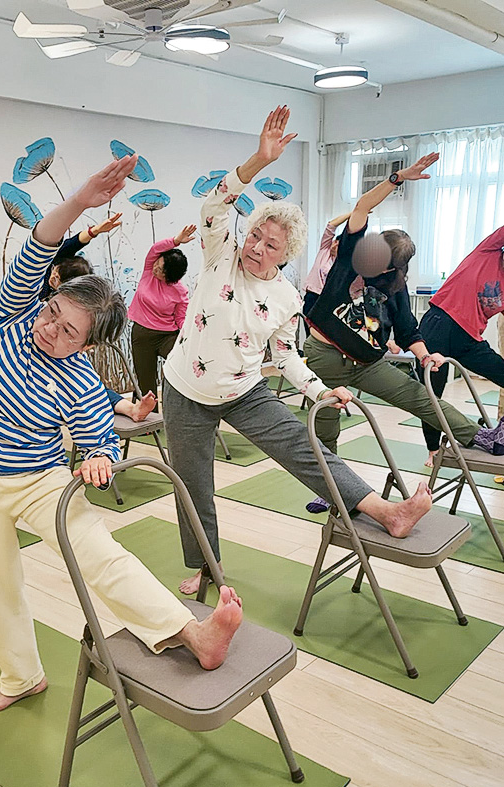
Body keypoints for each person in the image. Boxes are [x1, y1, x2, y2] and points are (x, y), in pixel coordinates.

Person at [0, 156, 244, 716]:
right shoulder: (11, 317)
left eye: (67, 330)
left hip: (36, 481)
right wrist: (80, 199)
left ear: (88, 345)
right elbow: (39, 246)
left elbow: (96, 434)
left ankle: (192, 634)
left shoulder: (79, 377)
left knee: (100, 554)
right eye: (51, 311)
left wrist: (100, 459)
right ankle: (21, 676)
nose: (49, 326)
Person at [162, 107, 434, 595]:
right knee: (194, 487)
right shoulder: (220, 255)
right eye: (256, 237)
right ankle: (206, 568)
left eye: (271, 246)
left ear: (285, 257)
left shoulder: (287, 298)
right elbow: (214, 207)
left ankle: (386, 512)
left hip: (245, 390)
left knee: (308, 451)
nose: (257, 249)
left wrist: (319, 391)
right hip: (184, 390)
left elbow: (286, 356)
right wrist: (256, 163)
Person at [303, 154, 504, 509]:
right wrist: (397, 178)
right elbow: (363, 205)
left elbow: (409, 329)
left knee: (421, 398)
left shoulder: (394, 286)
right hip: (325, 356)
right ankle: (330, 487)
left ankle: (482, 438)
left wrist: (425, 355)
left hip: (368, 362)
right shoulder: (350, 256)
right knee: (326, 425)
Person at [42, 211, 157, 422]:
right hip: (41, 359)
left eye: (56, 277)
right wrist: (93, 231)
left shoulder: (80, 309)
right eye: (53, 272)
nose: (51, 277)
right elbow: (63, 250)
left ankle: (131, 409)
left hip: (61, 359)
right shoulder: (41, 294)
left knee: (89, 385)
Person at [419, 223, 504, 465]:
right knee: (432, 392)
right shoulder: (488, 251)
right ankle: (433, 448)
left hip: (469, 339)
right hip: (440, 323)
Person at [128, 226, 194, 400]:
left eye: (160, 269)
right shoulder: (149, 271)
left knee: (181, 368)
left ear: (170, 277)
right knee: (146, 383)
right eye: (157, 264)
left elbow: (181, 318)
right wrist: (176, 240)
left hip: (167, 336)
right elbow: (154, 250)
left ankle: (181, 405)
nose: (155, 268)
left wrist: (189, 338)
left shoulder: (179, 291)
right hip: (142, 335)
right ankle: (150, 424)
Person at [39, 212, 122, 300]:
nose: (52, 277)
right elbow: (75, 242)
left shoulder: (64, 299)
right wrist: (95, 230)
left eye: (56, 279)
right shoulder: (56, 258)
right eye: (54, 271)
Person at [303, 211, 352, 316]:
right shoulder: (325, 250)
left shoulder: (343, 264)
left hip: (328, 302)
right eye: (335, 242)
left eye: (339, 245)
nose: (335, 245)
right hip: (312, 297)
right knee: (309, 329)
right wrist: (352, 214)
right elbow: (331, 225)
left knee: (321, 332)